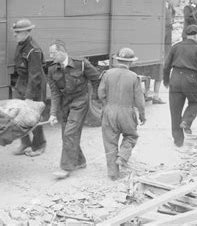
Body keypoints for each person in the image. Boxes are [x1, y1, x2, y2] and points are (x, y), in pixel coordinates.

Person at [47, 40, 100, 179]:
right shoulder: (52, 69)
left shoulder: (81, 64)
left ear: (61, 52)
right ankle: (79, 161)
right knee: (67, 133)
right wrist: (52, 113)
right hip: (65, 103)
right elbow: (54, 93)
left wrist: (94, 97)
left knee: (70, 133)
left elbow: (96, 79)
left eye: (52, 54)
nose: (51, 57)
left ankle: (65, 167)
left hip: (80, 101)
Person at [98, 48, 146, 180]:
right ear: (131, 62)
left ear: (117, 59)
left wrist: (107, 106)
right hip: (126, 112)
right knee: (131, 136)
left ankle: (113, 173)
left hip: (109, 110)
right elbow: (139, 100)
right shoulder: (134, 77)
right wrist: (142, 115)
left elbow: (101, 94)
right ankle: (123, 157)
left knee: (109, 141)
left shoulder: (107, 74)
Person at [163, 25, 197, 147]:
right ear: (196, 35)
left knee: (175, 110)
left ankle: (178, 141)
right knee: (194, 102)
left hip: (175, 78)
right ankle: (186, 121)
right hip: (191, 79)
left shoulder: (176, 46)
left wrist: (166, 81)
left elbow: (166, 66)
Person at [11, 19, 47, 157]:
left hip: (35, 85)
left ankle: (39, 145)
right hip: (22, 81)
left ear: (27, 32)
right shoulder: (21, 44)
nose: (15, 35)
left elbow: (35, 75)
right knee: (17, 113)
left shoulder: (34, 49)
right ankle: (25, 143)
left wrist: (29, 97)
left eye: (18, 32)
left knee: (33, 116)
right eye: (15, 32)